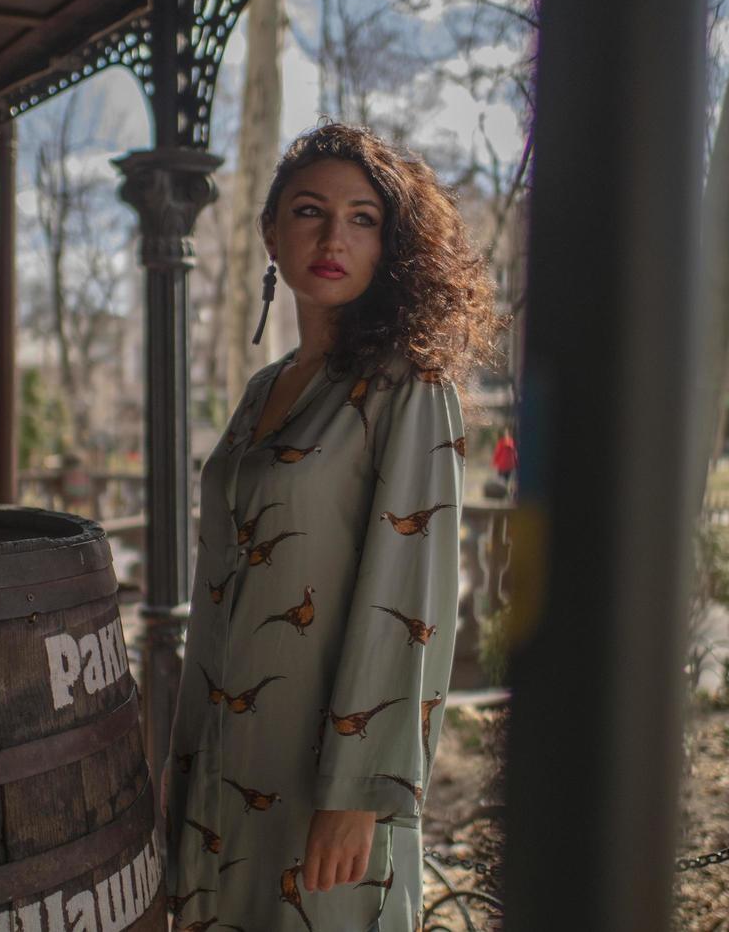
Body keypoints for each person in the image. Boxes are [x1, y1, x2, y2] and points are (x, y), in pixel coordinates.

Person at [160, 122, 504, 932]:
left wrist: (359, 792)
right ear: (270, 232)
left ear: (392, 244)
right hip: (222, 765)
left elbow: (410, 595)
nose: (331, 237)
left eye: (362, 219)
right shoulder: (261, 390)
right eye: (309, 211)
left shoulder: (409, 388)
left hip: (328, 782)